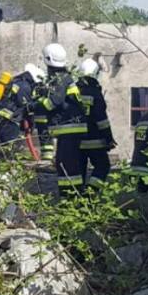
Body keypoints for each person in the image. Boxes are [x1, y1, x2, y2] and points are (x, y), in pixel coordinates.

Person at [35, 43, 88, 196]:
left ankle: (70, 195)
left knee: (66, 164)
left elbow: (53, 102)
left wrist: (35, 106)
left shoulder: (59, 79)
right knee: (66, 163)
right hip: (71, 128)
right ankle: (72, 194)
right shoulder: (64, 77)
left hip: (69, 128)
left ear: (48, 61)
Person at [77, 59, 115, 191]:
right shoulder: (95, 93)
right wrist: (109, 139)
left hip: (76, 142)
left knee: (79, 172)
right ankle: (91, 193)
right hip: (96, 141)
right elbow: (102, 121)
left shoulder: (74, 92)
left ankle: (78, 199)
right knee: (103, 167)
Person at [0, 65, 44, 159]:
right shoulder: (25, 87)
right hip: (9, 119)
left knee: (7, 145)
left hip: (4, 117)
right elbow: (27, 107)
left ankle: (6, 162)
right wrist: (32, 124)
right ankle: (8, 165)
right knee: (11, 146)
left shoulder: (17, 82)